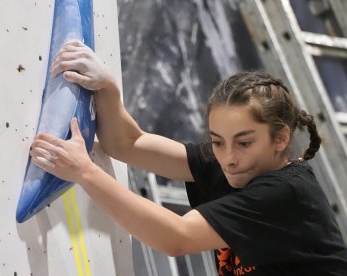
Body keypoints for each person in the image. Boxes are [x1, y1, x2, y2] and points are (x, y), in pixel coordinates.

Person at [30, 40, 347, 275]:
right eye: (217, 142)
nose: (228, 158)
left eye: (244, 143)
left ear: (280, 139)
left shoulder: (284, 192)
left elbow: (175, 238)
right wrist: (109, 88)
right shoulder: (228, 165)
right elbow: (128, 143)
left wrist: (85, 172)